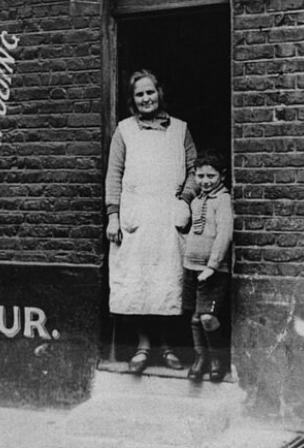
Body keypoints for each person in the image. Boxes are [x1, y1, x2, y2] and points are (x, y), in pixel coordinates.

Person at [105, 69, 198, 374]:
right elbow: (114, 175)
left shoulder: (180, 129)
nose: (146, 99)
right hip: (137, 218)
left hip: (167, 219)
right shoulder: (124, 131)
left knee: (167, 284)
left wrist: (184, 200)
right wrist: (113, 216)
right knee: (139, 284)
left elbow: (195, 171)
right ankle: (143, 348)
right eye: (139, 94)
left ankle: (168, 346)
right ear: (133, 100)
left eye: (150, 92)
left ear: (159, 92)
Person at [181, 150, 233, 382]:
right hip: (191, 267)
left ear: (222, 175)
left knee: (207, 318)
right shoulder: (197, 200)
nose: (205, 181)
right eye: (200, 176)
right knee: (194, 317)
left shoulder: (222, 200)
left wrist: (212, 265)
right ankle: (200, 358)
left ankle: (216, 358)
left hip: (212, 270)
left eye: (210, 176)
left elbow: (224, 233)